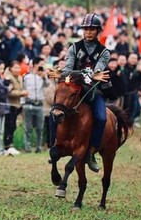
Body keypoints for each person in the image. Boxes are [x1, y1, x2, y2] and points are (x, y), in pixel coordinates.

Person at [49, 13, 110, 172]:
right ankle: (54, 145)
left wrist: (88, 74)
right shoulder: (74, 47)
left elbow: (98, 71)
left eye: (91, 29)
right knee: (54, 111)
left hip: (92, 91)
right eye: (86, 29)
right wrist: (63, 74)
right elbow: (68, 69)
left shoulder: (104, 52)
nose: (88, 32)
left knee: (102, 118)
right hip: (73, 89)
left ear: (98, 31)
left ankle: (91, 152)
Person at [22, 57, 49, 153]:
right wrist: (22, 104)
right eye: (40, 64)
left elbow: (47, 84)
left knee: (40, 128)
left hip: (40, 105)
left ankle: (38, 147)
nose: (41, 66)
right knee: (28, 128)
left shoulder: (42, 76)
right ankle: (27, 147)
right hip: (28, 104)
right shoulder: (26, 77)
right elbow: (23, 89)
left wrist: (44, 76)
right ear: (35, 65)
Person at [4, 60, 28, 155]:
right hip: (10, 105)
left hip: (17, 105)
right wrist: (22, 93)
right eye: (15, 68)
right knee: (9, 126)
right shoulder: (8, 78)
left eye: (19, 68)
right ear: (10, 68)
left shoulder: (20, 77)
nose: (18, 70)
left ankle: (10, 145)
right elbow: (9, 92)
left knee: (13, 126)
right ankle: (7, 146)